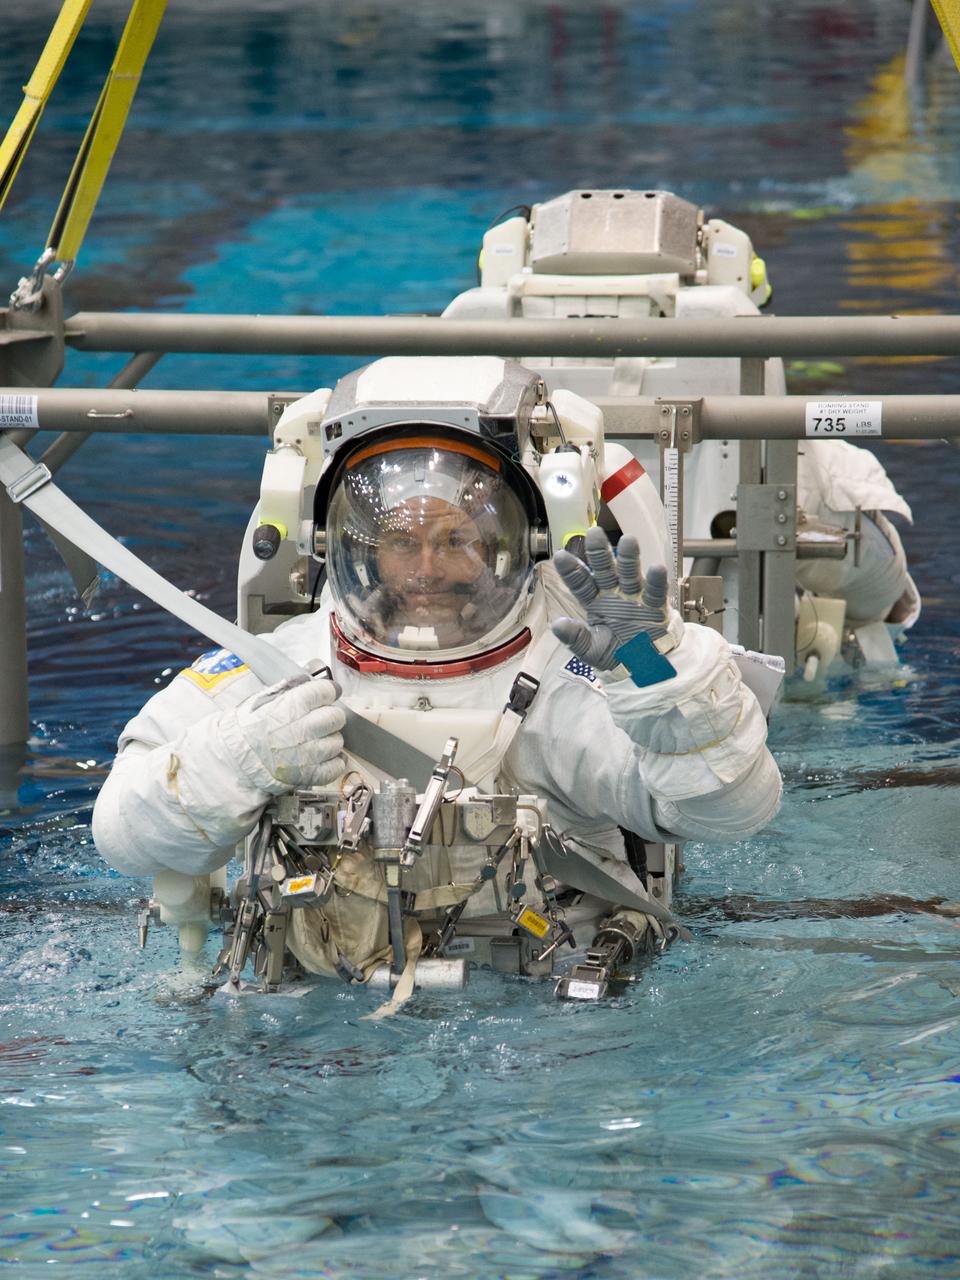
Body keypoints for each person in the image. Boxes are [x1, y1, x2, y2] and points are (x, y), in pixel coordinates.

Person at [92, 357, 783, 988]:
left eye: (456, 540)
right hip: (323, 1031)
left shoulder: (566, 680)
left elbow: (729, 810)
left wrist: (656, 671)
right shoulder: (280, 671)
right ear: (350, 546)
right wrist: (237, 761)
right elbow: (121, 832)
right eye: (401, 541)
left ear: (517, 541)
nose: (427, 569)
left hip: (543, 1025)